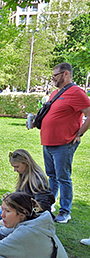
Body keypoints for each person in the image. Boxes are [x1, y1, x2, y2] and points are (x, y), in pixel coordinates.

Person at [39, 62, 90, 223]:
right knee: (52, 176)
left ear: (66, 74)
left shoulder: (76, 92)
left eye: (55, 75)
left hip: (64, 143)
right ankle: (49, 204)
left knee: (63, 178)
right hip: (48, 142)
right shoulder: (56, 93)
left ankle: (65, 211)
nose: (53, 78)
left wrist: (80, 133)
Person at [0, 149, 55, 228]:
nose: (15, 170)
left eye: (17, 167)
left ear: (26, 163)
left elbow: (42, 206)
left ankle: (13, 231)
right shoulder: (25, 175)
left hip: (30, 215)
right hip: (22, 210)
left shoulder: (36, 181)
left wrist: (21, 212)